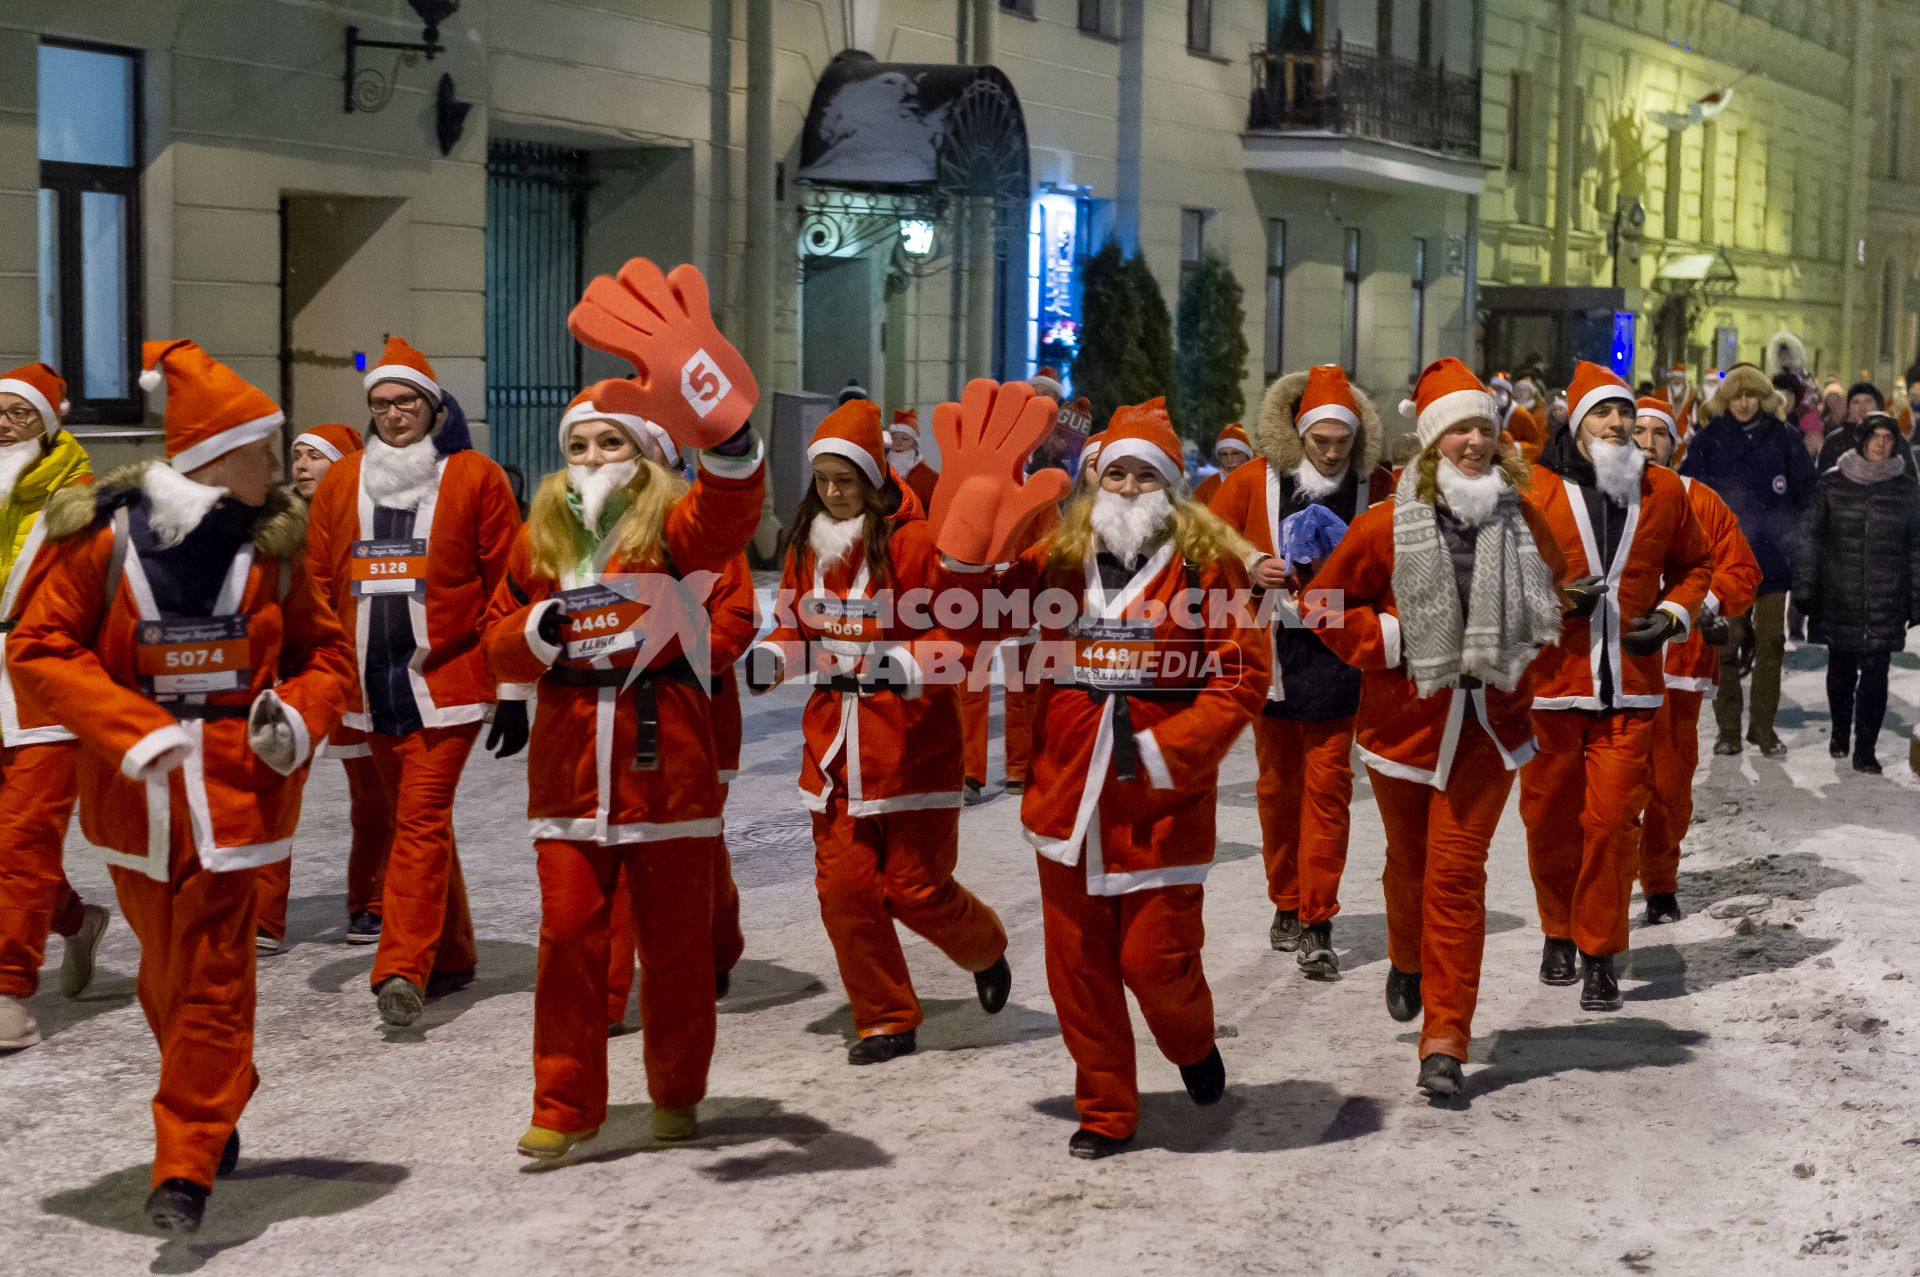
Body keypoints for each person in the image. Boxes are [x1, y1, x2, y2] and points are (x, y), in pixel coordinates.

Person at [11, 339, 353, 1233]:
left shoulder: (275, 547)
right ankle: (219, 1086)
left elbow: (328, 655)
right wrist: (134, 730)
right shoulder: (101, 539)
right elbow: (39, 649)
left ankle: (185, 1161)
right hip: (136, 803)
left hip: (241, 795)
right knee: (166, 974)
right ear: (209, 455)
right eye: (262, 449)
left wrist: (301, 717)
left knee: (211, 973)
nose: (279, 468)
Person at [483, 348, 764, 1156]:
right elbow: (493, 636)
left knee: (676, 949)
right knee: (568, 938)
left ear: (647, 453)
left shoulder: (680, 526)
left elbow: (731, 545)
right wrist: (531, 636)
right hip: (569, 773)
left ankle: (677, 1090)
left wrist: (728, 436)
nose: (593, 460)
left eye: (612, 444)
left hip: (667, 765)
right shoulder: (540, 537)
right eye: (579, 446)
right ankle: (563, 1102)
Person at [969, 391, 1264, 1156]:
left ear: (1170, 485)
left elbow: (1241, 674)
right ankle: (1105, 1107)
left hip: (1161, 794)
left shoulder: (1207, 569)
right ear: (1096, 482)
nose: (1129, 488)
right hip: (1067, 787)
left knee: (1153, 960)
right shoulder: (1057, 559)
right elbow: (982, 608)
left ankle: (1191, 1040)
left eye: (1145, 476)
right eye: (1118, 475)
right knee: (1077, 964)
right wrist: (971, 535)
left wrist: (1181, 747)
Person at [1311, 358, 1567, 1097]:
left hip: (1486, 729)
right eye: (1459, 429)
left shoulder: (1522, 518)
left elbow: (1553, 608)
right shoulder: (1382, 524)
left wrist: (1521, 663)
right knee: (1409, 866)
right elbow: (1324, 605)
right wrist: (1391, 641)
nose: (1475, 442)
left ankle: (1445, 1038)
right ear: (1431, 442)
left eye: (1484, 428)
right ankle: (1405, 953)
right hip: (1405, 728)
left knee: (1456, 877)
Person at [747, 397, 1015, 1066]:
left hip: (912, 745)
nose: (834, 494)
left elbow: (961, 637)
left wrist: (906, 663)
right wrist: (774, 657)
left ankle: (984, 947)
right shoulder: (807, 546)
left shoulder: (918, 545)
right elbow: (795, 627)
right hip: (834, 749)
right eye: (825, 481)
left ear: (874, 478)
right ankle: (885, 1016)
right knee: (845, 891)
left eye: (847, 481)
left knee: (916, 889)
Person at [306, 336, 523, 1027]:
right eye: (381, 402)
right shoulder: (341, 482)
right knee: (415, 825)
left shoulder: (476, 477)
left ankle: (400, 965)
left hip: (448, 684)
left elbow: (509, 582)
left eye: (406, 401)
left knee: (419, 821)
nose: (394, 413)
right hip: (368, 690)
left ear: (433, 408)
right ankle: (454, 950)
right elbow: (315, 581)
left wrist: (512, 684)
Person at [1520, 362, 1710, 1011]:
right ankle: (1556, 929)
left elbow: (1698, 563)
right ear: (1576, 423)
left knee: (1610, 823)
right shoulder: (1535, 487)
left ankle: (1600, 950)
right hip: (1550, 687)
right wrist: (1551, 605)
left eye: (1626, 413)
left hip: (1631, 689)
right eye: (1604, 413)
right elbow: (1497, 578)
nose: (1619, 424)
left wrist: (1675, 613)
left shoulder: (1662, 491)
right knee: (1548, 821)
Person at [1209, 364, 1391, 965]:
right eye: (1322, 442)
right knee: (1276, 789)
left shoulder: (1378, 484)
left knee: (1329, 791)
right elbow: (1205, 542)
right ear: (1298, 433)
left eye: (1343, 442)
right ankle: (1285, 900)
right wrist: (1252, 563)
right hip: (1270, 656)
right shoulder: (1250, 481)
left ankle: (1318, 918)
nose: (1334, 453)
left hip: (1346, 654)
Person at [253, 422, 393, 952]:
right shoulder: (275, 523)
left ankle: (371, 903)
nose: (303, 465)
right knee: (274, 788)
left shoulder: (372, 517)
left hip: (359, 669)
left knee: (373, 796)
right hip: (294, 673)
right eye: (298, 455)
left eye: (317, 456)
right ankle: (264, 914)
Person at [0, 363, 102, 1053]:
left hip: (43, 686)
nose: (4, 422)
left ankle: (9, 990)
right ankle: (74, 919)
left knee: (23, 840)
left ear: (48, 420)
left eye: (19, 412)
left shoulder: (80, 498)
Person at [1631, 397, 1760, 924]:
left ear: (1676, 442)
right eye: (1635, 430)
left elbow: (1743, 569)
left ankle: (1659, 883)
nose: (1646, 442)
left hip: (1679, 671)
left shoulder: (1699, 500)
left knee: (1669, 786)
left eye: (1657, 433)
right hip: (1611, 669)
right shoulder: (1599, 498)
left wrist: (1702, 603)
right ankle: (1604, 888)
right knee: (1611, 789)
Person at [1680, 362, 1816, 757]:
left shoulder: (1785, 439)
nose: (1743, 402)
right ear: (1726, 398)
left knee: (1772, 643)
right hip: (1726, 562)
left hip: (1773, 563)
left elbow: (1808, 495)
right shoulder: (1708, 441)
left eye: (1751, 394)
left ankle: (1762, 728)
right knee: (1726, 645)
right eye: (1736, 395)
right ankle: (1728, 731)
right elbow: (1690, 496)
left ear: (1762, 398)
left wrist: (1798, 541)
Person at [1795, 413, 1920, 775]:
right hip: (1840, 593)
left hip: (1887, 596)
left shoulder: (1906, 489)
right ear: (1861, 440)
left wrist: (1916, 595)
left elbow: (1915, 546)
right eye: (1875, 436)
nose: (1881, 444)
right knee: (1842, 671)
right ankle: (1839, 729)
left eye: (1888, 437)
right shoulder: (1833, 483)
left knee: (1877, 675)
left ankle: (1866, 748)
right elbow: (1811, 538)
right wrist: (1806, 586)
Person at [1816, 381, 1894, 472]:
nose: (1862, 408)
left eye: (1868, 401)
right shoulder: (1833, 441)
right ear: (1848, 408)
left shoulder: (1893, 438)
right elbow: (1823, 479)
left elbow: (1909, 479)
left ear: (1878, 405)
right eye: (1856, 402)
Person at [886, 409, 938, 511]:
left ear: (915, 444)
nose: (898, 443)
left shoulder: (931, 478)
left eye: (905, 439)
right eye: (894, 438)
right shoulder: (881, 473)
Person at [1191, 423, 1253, 506]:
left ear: (1247, 456)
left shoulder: (1261, 484)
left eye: (1235, 454)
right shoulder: (1206, 489)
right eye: (1224, 454)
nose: (1229, 460)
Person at [1489, 371, 1544, 461]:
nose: (1496, 394)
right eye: (1494, 390)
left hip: (1516, 463)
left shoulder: (1520, 414)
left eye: (1500, 390)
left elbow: (1537, 445)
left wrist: (1514, 448)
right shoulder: (1489, 410)